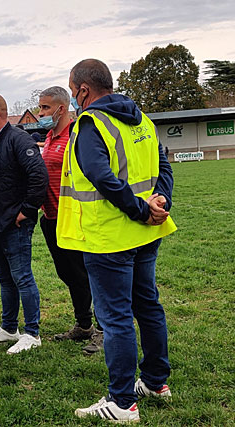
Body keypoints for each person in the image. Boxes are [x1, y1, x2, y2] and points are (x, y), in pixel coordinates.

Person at [57, 59, 176, 423]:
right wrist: (160, 204)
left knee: (116, 317)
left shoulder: (91, 123)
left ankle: (122, 402)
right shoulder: (142, 119)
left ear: (82, 90)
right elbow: (165, 166)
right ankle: (155, 382)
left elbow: (101, 178)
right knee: (148, 305)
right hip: (146, 232)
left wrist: (142, 210)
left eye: (72, 89)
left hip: (110, 237)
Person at [0, 94, 48, 354]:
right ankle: (8, 327)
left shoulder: (18, 139)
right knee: (5, 279)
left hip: (14, 224)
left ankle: (32, 332)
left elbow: (38, 176)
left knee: (22, 277)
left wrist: (26, 211)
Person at [37, 86, 102, 354]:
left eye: (45, 108)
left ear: (61, 109)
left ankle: (102, 329)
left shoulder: (77, 135)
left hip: (74, 218)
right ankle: (83, 324)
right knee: (68, 274)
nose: (40, 113)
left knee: (88, 274)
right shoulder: (50, 136)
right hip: (51, 217)